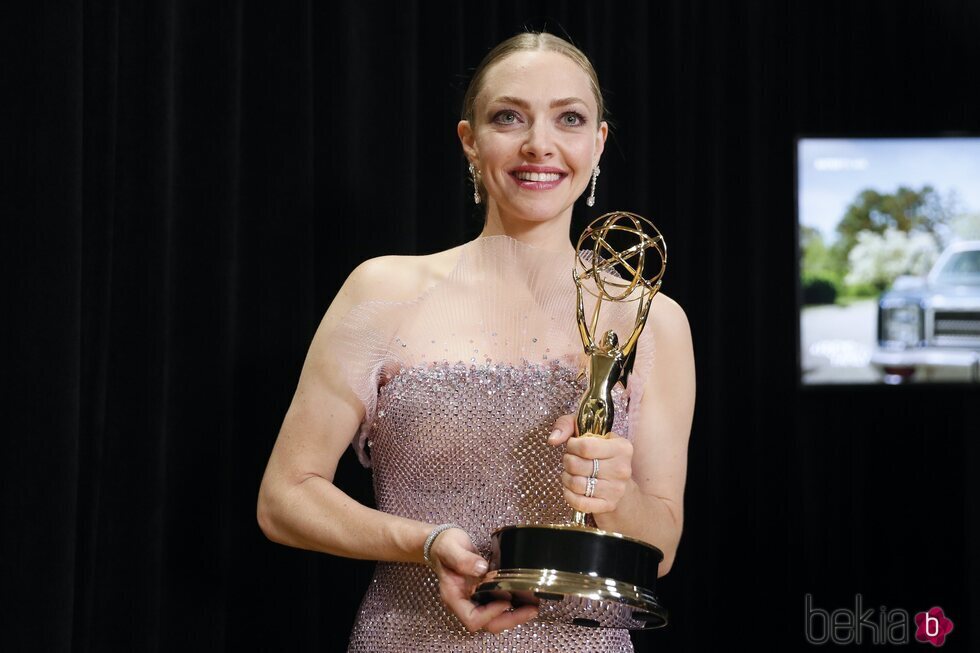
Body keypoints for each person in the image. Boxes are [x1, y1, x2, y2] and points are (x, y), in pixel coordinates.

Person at [256, 30, 696, 652]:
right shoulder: (382, 292)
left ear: (598, 144)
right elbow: (284, 499)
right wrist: (425, 543)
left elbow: (661, 551)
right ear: (470, 141)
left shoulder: (653, 318)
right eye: (508, 117)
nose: (539, 144)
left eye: (568, 118)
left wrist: (613, 495)